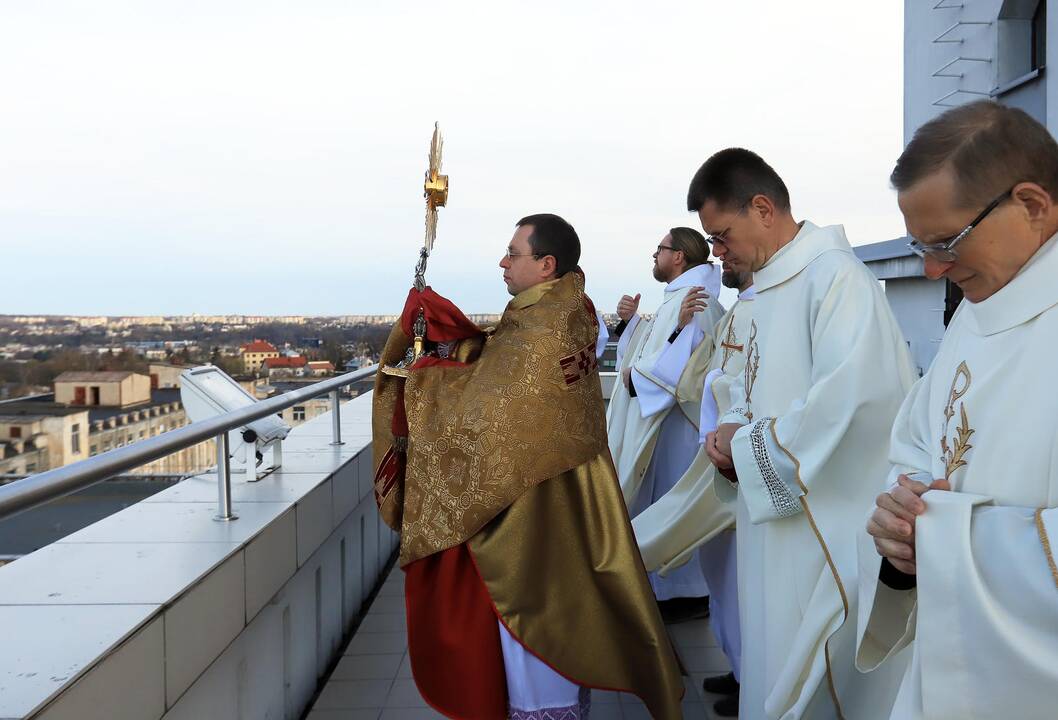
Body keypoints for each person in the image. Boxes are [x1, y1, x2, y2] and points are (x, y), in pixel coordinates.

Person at [372, 213, 683, 720]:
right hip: (560, 488)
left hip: (533, 512)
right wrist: (454, 338)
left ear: (546, 264)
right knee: (564, 611)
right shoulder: (569, 308)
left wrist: (423, 374)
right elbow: (498, 367)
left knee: (537, 628)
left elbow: (484, 414)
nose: (502, 261)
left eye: (513, 253)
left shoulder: (542, 330)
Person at [698, 149, 917, 719]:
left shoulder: (836, 280)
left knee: (808, 672)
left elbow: (850, 403)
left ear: (763, 208)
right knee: (768, 650)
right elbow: (741, 384)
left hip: (819, 523)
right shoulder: (762, 292)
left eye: (722, 236)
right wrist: (728, 434)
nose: (718, 253)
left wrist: (745, 449)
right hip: (768, 517)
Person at [857, 101, 1058, 720]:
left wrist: (943, 537)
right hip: (952, 663)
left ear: (1030, 204)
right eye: (922, 245)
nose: (932, 268)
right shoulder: (980, 305)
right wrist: (903, 513)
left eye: (947, 242)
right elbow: (920, 442)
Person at [632, 260, 754, 717]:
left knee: (734, 573)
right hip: (714, 444)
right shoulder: (732, 307)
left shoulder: (705, 305)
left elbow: (697, 376)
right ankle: (739, 665)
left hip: (726, 450)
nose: (720, 256)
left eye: (723, 241)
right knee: (721, 568)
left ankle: (749, 673)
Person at [606, 227, 725, 621]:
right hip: (667, 422)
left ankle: (685, 594)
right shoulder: (681, 296)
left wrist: (636, 377)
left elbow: (682, 365)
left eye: (660, 249)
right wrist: (630, 326)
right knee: (660, 501)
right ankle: (664, 590)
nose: (654, 255)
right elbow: (662, 346)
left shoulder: (697, 300)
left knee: (673, 502)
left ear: (679, 257)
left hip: (682, 425)